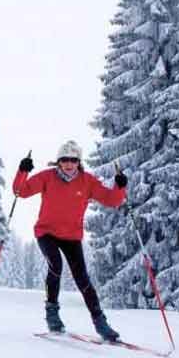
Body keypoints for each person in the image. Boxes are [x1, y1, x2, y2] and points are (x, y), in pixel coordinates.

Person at [13, 140, 128, 341]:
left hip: (72, 237)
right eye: (64, 160)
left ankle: (101, 324)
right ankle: (52, 315)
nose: (68, 164)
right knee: (55, 264)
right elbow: (20, 191)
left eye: (73, 160)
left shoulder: (87, 181)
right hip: (46, 232)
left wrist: (119, 186)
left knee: (82, 278)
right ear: (58, 161)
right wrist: (23, 171)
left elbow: (113, 200)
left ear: (78, 162)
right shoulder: (47, 177)